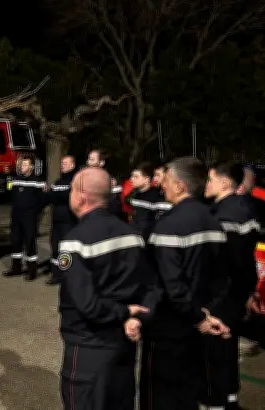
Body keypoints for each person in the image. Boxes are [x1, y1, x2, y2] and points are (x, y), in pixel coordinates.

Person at [56, 167, 161, 410]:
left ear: (81, 196)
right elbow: (152, 287)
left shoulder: (75, 242)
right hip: (124, 347)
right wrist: (140, 318)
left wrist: (125, 313)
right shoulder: (132, 235)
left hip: (88, 347)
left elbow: (86, 304)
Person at [140, 156, 232, 410]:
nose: (162, 186)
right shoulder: (214, 222)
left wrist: (197, 317)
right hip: (199, 327)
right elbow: (222, 278)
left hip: (169, 329)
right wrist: (209, 314)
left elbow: (172, 287)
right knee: (189, 395)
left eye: (166, 181)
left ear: (180, 186)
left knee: (160, 398)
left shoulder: (168, 227)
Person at [204, 161, 260, 410]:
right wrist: (249, 291)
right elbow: (248, 261)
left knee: (215, 354)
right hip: (236, 295)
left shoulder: (223, 216)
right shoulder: (245, 210)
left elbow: (227, 263)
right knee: (228, 351)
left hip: (221, 296)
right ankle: (230, 398)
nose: (207, 184)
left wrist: (213, 302)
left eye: (210, 179)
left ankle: (217, 402)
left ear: (225, 183)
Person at [4, 156, 46, 281]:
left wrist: (34, 212)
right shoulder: (15, 179)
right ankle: (16, 268)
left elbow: (42, 200)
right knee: (15, 242)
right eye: (21, 165)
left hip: (29, 217)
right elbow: (8, 193)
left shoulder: (38, 181)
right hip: (16, 217)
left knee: (30, 243)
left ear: (31, 167)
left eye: (25, 165)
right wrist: (8, 181)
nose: (22, 167)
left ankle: (31, 271)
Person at [44, 155, 77, 285]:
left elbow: (66, 198)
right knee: (55, 247)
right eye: (62, 162)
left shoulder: (74, 181)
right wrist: (56, 196)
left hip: (69, 221)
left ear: (72, 165)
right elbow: (50, 197)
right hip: (56, 220)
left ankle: (67, 275)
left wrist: (56, 196)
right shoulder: (57, 182)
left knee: (66, 249)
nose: (62, 165)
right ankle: (56, 275)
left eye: (65, 163)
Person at [127, 161, 162, 238]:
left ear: (146, 179)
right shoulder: (133, 194)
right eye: (131, 176)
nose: (131, 179)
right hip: (134, 236)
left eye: (136, 177)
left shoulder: (157, 196)